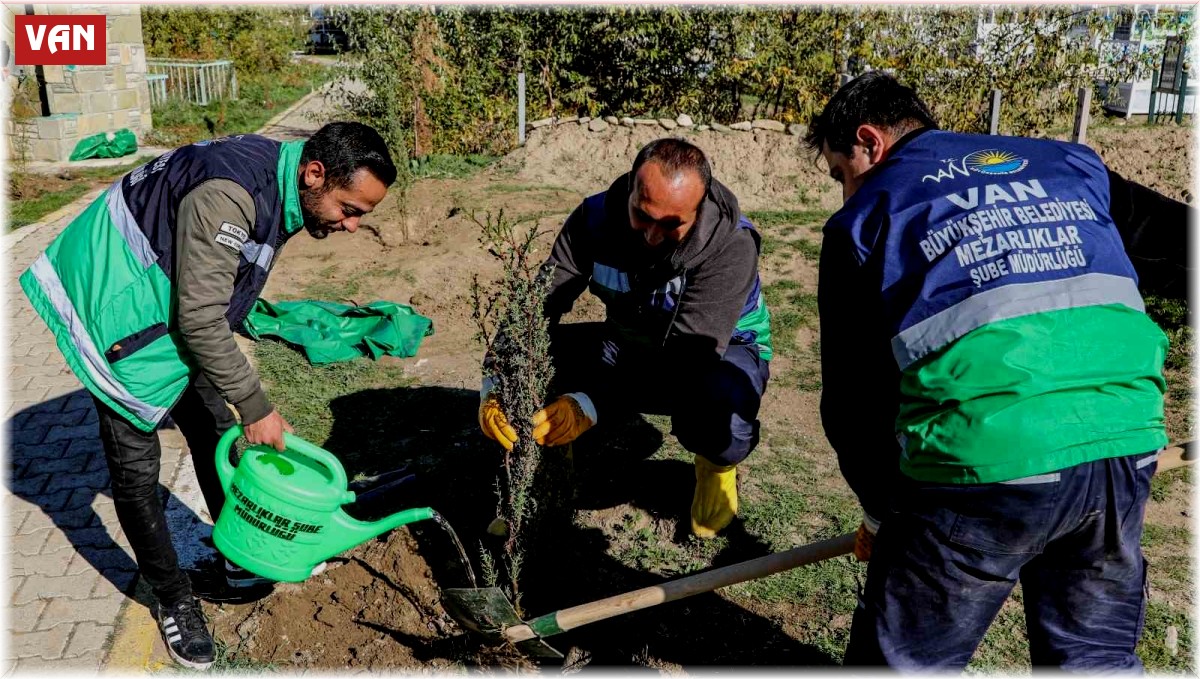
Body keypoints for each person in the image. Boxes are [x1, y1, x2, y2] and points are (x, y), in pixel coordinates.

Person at [808, 71, 1191, 671]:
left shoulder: (867, 217)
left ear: (869, 142)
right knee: (1093, 660)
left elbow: (856, 405)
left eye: (839, 174)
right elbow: (1184, 245)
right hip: (1123, 439)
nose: (843, 192)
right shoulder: (1069, 165)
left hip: (985, 464)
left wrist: (883, 515)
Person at [19, 122, 397, 670]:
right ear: (316, 173)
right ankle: (173, 599)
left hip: (169, 308)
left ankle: (238, 561)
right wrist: (257, 405)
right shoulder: (230, 194)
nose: (354, 225)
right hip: (114, 313)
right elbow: (198, 318)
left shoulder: (286, 180)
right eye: (349, 207)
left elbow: (207, 296)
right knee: (136, 472)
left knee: (215, 426)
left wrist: (240, 400)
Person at [477, 138, 773, 538]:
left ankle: (717, 466)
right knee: (532, 363)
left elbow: (687, 361)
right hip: (629, 338)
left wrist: (591, 402)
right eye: (642, 214)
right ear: (632, 186)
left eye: (671, 225)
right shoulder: (593, 220)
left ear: (699, 209)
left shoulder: (730, 245)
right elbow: (539, 305)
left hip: (718, 352)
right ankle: (545, 471)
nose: (652, 235)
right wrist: (495, 382)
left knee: (719, 407)